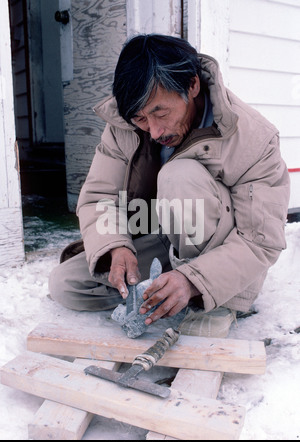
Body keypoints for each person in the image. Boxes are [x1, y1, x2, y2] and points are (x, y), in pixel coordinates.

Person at [49, 34, 290, 337]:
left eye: (160, 113)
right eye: (140, 118)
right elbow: (100, 197)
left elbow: (261, 241)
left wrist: (193, 279)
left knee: (179, 176)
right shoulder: (123, 127)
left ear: (192, 86)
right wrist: (116, 246)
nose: (153, 131)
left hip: (219, 250)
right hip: (164, 236)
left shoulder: (254, 137)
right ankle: (163, 292)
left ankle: (213, 299)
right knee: (68, 284)